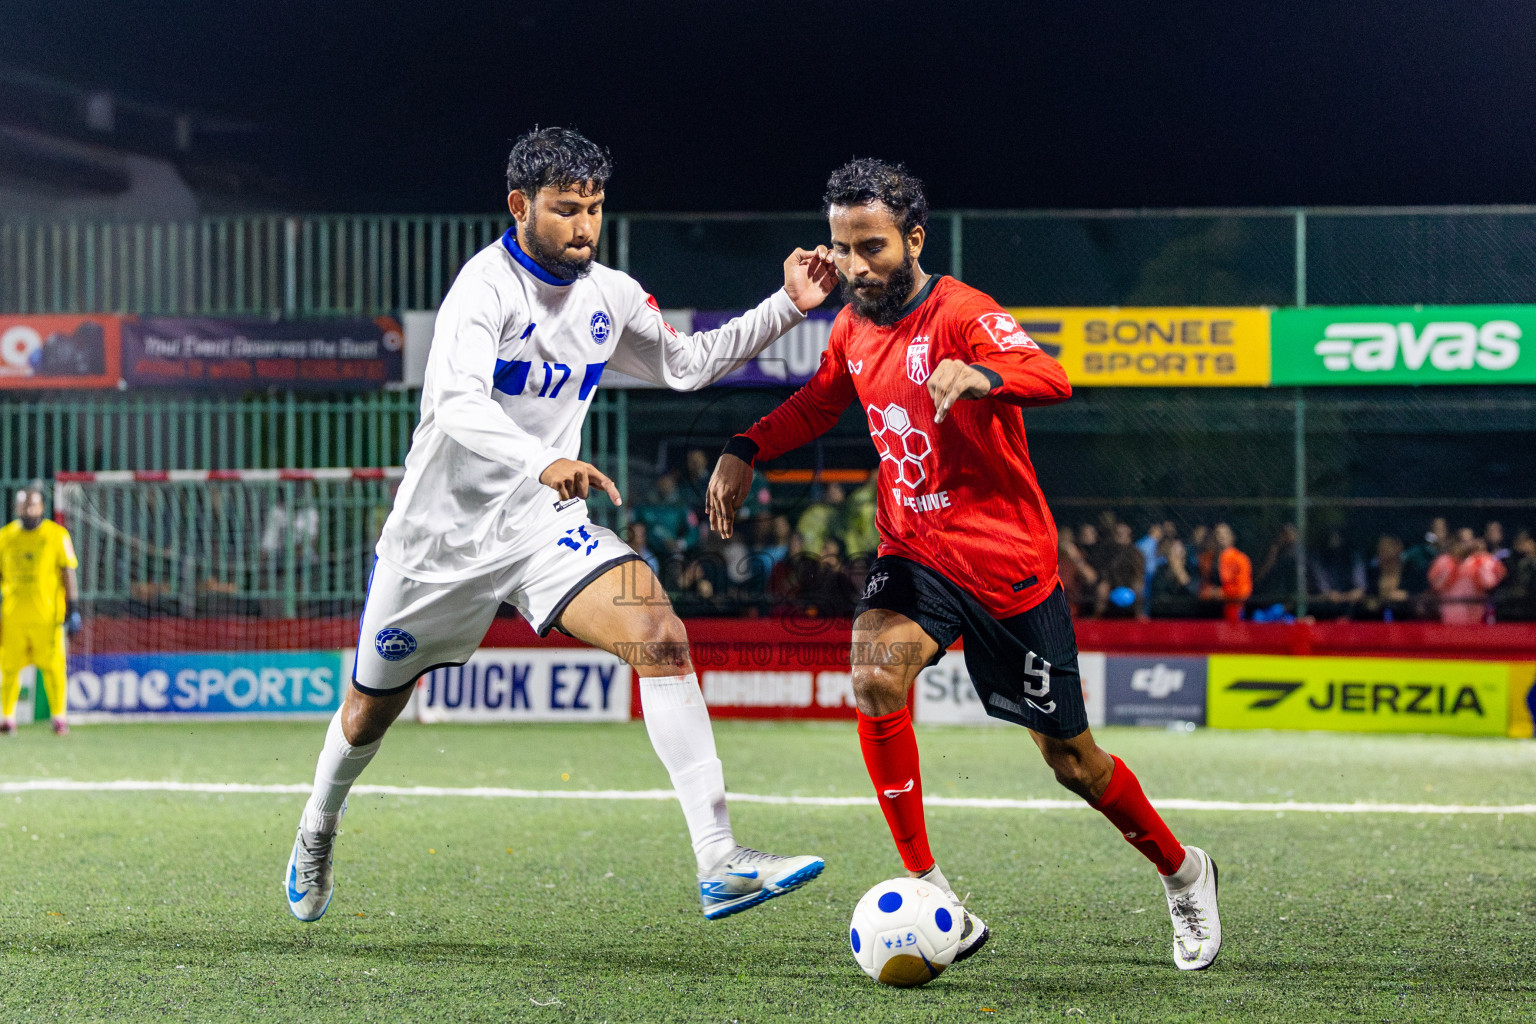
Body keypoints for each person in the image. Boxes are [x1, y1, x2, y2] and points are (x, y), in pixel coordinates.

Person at [285, 127, 838, 925]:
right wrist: (539, 459)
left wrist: (787, 306)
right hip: (437, 543)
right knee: (370, 709)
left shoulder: (610, 295)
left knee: (659, 630)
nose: (585, 226)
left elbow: (685, 366)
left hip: (538, 526)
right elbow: (457, 404)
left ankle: (719, 859)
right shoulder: (484, 289)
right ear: (521, 206)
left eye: (595, 209)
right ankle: (316, 826)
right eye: (567, 209)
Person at [707, 159, 1221, 971]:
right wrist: (746, 446)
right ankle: (929, 884)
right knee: (875, 671)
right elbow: (821, 399)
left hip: (1008, 568)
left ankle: (1184, 871)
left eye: (872, 247)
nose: (856, 267)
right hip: (914, 550)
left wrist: (984, 375)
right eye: (842, 250)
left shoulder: (963, 313)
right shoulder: (851, 325)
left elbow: (1052, 377)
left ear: (913, 238)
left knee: (1072, 762)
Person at [0, 481, 82, 735]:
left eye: (33, 504)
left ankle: (59, 718)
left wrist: (74, 607)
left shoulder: (57, 535)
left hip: (48, 617)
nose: (28, 509)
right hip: (13, 617)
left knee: (55, 669)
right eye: (23, 504)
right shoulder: (5, 537)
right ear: (16, 508)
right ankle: (6, 718)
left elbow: (68, 571)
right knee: (8, 669)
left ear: (42, 507)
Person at [1429, 534, 1506, 624]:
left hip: (1475, 611)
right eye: (1460, 542)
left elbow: (1490, 583)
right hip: (1450, 611)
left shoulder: (1481, 560)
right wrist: (1451, 569)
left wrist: (1480, 567)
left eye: (1467, 542)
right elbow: (1436, 585)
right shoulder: (1443, 561)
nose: (1464, 546)